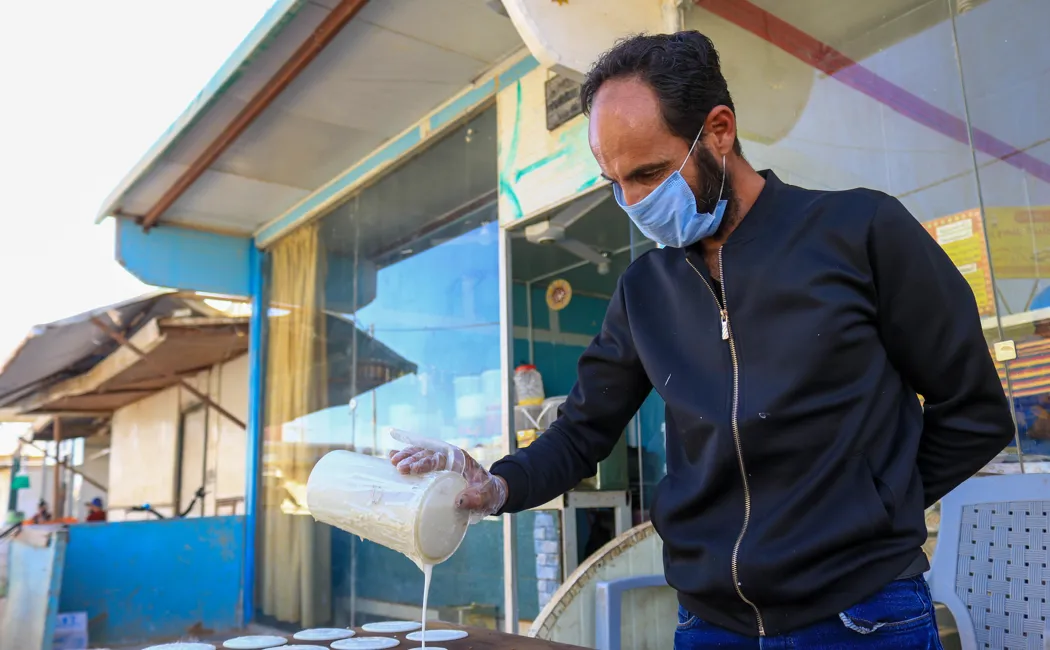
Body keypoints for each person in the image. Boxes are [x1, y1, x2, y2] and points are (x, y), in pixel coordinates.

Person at [390, 31, 1015, 648]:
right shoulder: (644, 291)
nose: (633, 203)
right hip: (710, 625)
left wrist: (873, 506)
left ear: (720, 130)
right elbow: (582, 432)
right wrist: (498, 485)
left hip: (865, 613)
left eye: (651, 173)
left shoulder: (861, 232)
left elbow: (976, 413)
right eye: (615, 182)